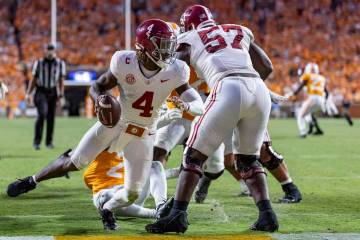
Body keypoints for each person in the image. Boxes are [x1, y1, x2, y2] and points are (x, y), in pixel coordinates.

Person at [6, 19, 204, 231]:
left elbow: (198, 105)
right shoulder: (123, 61)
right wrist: (99, 100)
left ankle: (108, 209)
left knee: (132, 193)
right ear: (145, 47)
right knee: (75, 161)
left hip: (143, 132)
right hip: (117, 123)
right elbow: (98, 86)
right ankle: (31, 181)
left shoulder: (176, 70)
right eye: (163, 45)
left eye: (169, 45)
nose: (168, 51)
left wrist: (188, 107)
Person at [146, 5, 278, 234]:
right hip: (258, 89)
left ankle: (177, 215)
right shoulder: (239, 29)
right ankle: (267, 215)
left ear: (188, 25)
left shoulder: (189, 36)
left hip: (227, 87)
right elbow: (266, 66)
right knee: (248, 161)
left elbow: (174, 65)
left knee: (193, 156)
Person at [25, 43, 66, 150]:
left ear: (55, 51)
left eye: (52, 49)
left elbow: (61, 80)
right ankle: (37, 142)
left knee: (51, 117)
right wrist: (28, 93)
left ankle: (49, 142)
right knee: (42, 114)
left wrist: (61, 94)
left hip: (53, 92)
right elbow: (33, 79)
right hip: (41, 91)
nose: (50, 51)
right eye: (48, 49)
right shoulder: (39, 63)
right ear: (45, 51)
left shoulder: (60, 63)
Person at [287, 63, 326, 138]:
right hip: (321, 100)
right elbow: (325, 91)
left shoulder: (307, 76)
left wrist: (293, 93)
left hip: (313, 98)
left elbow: (302, 85)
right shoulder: (322, 77)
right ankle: (313, 125)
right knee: (307, 114)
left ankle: (303, 133)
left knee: (300, 115)